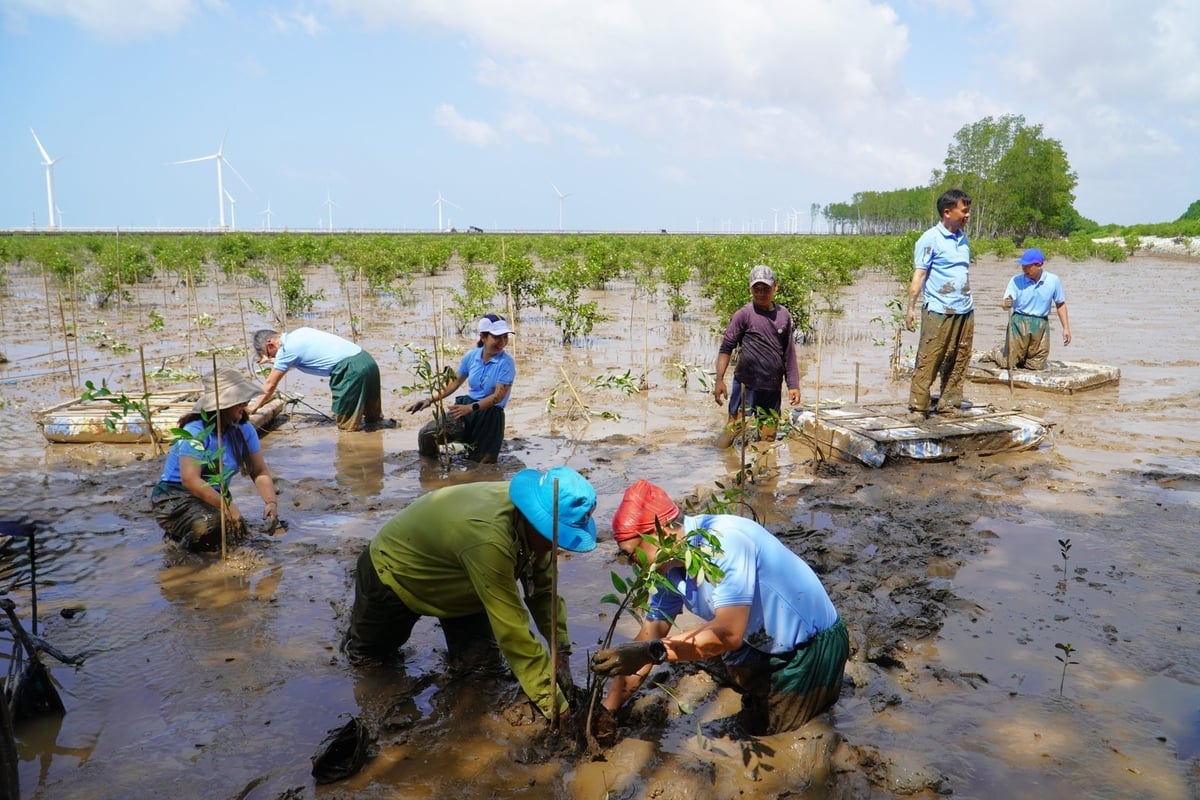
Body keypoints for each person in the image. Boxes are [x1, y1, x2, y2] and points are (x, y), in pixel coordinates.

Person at [592, 480, 848, 736]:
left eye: (631, 553)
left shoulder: (723, 542)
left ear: (662, 533)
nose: (632, 563)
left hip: (810, 648)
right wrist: (608, 709)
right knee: (708, 657)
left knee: (770, 736)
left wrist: (651, 652)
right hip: (755, 638)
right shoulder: (666, 567)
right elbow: (650, 635)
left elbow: (727, 633)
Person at [343, 465, 597, 723]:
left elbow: (542, 592)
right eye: (556, 538)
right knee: (371, 661)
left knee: (482, 670)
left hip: (462, 581)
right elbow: (513, 631)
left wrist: (561, 650)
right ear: (536, 520)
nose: (559, 546)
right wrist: (555, 706)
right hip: (397, 572)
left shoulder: (536, 534)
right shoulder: (489, 539)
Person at [151, 368, 280, 552]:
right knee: (212, 524)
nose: (245, 404)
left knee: (232, 530)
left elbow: (259, 471)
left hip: (213, 493)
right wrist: (228, 507)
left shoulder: (244, 430)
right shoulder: (195, 432)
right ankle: (180, 550)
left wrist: (271, 502)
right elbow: (190, 480)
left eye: (245, 400)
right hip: (175, 496)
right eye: (239, 402)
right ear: (222, 406)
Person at [406, 314, 515, 463]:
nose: (502, 342)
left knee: (481, 465)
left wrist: (471, 408)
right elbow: (454, 383)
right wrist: (429, 399)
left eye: (505, 337)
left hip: (489, 415)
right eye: (497, 337)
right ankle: (432, 472)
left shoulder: (506, 363)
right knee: (427, 435)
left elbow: (498, 397)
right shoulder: (471, 356)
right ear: (483, 337)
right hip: (466, 408)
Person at [906, 188, 973, 420]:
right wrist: (911, 308)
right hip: (938, 310)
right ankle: (918, 407)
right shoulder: (929, 239)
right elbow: (919, 275)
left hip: (965, 309)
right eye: (964, 211)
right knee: (930, 357)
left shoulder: (963, 239)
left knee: (959, 357)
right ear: (947, 212)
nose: (967, 216)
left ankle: (949, 405)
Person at [714, 265, 801, 443]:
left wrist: (793, 385)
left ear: (775, 287)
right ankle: (721, 463)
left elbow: (789, 353)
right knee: (733, 430)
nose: (761, 293)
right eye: (757, 289)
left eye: (765, 289)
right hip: (747, 384)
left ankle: (765, 469)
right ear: (750, 289)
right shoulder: (744, 314)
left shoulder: (783, 315)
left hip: (772, 387)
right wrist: (719, 379)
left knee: (768, 437)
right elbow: (726, 348)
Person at [248, 327, 383, 432]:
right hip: (366, 361)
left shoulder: (286, 350)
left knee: (347, 427)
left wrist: (253, 408)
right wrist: (275, 362)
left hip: (350, 370)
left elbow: (270, 384)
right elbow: (302, 360)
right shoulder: (300, 333)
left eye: (268, 354)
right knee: (374, 420)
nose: (272, 357)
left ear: (270, 344)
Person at [982, 247, 1071, 370]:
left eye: (1027, 266)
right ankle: (996, 352)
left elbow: (1060, 304)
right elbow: (1005, 303)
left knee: (1036, 365)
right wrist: (1006, 304)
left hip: (1041, 324)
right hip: (1019, 322)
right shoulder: (1016, 281)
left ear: (1039, 265)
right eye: (1022, 266)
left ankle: (1024, 357)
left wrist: (1066, 328)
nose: (1024, 269)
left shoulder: (1053, 280)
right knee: (1009, 363)